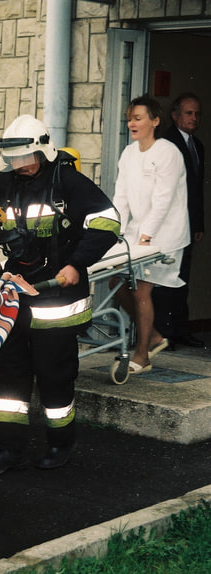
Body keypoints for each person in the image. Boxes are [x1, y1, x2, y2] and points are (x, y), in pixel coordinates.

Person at [0, 114, 120, 475]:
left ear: (43, 151)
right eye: (12, 159)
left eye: (24, 158)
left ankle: (60, 445)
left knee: (54, 378)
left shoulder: (69, 183)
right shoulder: (5, 183)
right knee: (9, 378)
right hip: (15, 298)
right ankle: (7, 451)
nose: (18, 165)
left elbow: (107, 223)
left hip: (58, 302)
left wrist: (77, 263)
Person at [111, 96, 191, 373]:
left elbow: (163, 200)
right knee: (115, 283)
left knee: (141, 287)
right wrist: (115, 232)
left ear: (155, 121)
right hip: (138, 232)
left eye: (138, 118)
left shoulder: (168, 152)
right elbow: (120, 197)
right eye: (130, 117)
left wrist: (147, 235)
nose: (132, 123)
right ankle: (155, 335)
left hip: (164, 233)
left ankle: (142, 354)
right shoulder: (128, 154)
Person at [155, 92, 205, 350]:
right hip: (168, 225)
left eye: (197, 113)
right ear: (175, 116)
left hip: (187, 226)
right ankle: (165, 334)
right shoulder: (166, 143)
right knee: (165, 279)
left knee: (182, 278)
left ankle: (180, 330)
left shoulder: (197, 146)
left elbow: (196, 191)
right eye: (188, 113)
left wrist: (198, 225)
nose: (194, 118)